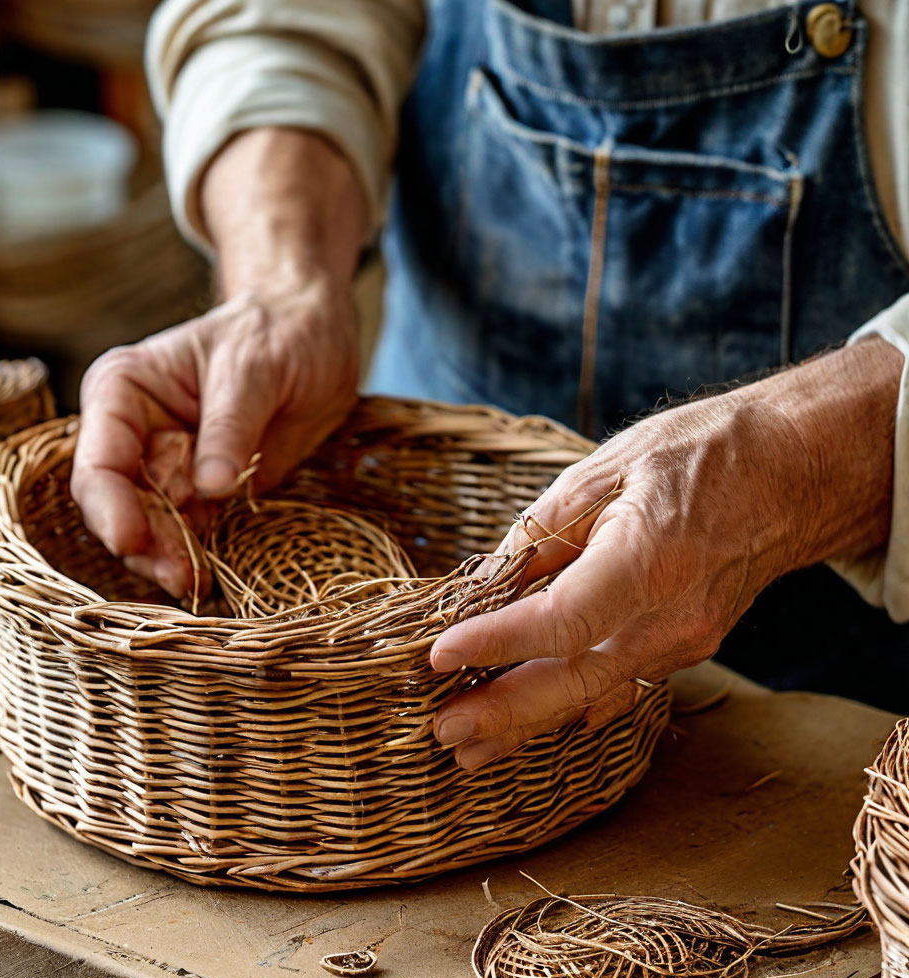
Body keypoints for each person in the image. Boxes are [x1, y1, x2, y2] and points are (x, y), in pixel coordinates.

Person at [71, 0, 909, 771]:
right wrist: (282, 283)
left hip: (857, 684)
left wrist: (787, 460)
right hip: (417, 597)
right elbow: (280, 19)